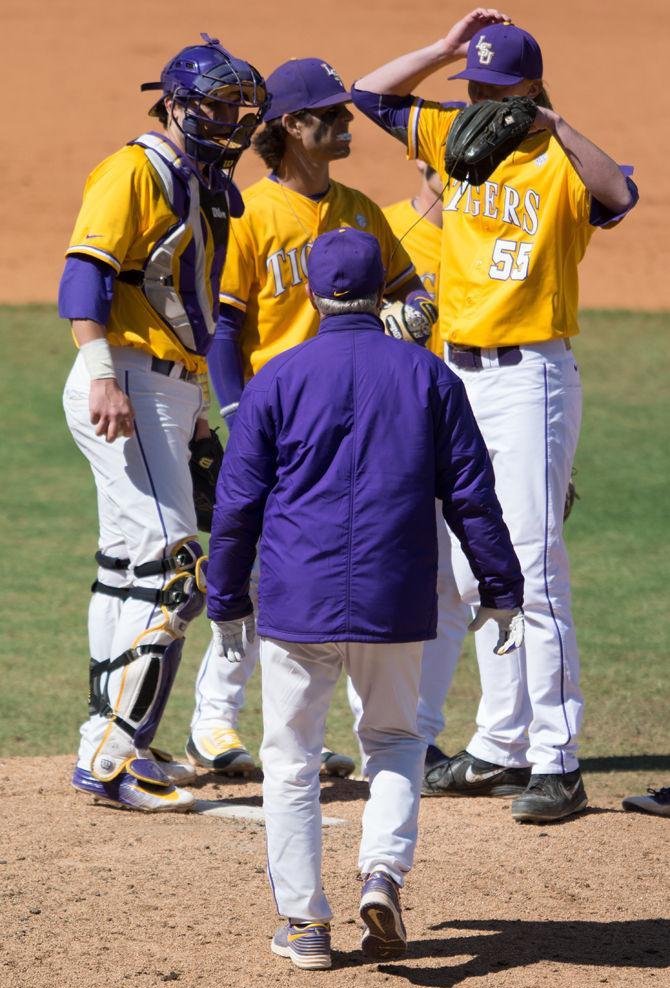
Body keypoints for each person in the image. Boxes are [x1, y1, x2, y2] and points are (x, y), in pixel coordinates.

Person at [206, 226, 524, 969]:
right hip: (395, 597)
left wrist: (225, 598)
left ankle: (306, 925)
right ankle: (382, 871)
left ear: (314, 294)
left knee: (290, 757)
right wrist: (502, 590)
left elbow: (237, 504)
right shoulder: (429, 375)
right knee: (396, 740)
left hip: (296, 600)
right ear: (383, 290)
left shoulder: (276, 378)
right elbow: (472, 497)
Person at [352, 9, 639, 821]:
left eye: (491, 88)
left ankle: (559, 760)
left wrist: (552, 122)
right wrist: (441, 50)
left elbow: (621, 195)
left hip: (529, 379)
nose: (476, 100)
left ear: (530, 89)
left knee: (534, 568)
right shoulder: (452, 142)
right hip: (456, 375)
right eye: (468, 86)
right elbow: (367, 96)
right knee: (475, 566)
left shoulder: (560, 165)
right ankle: (499, 746)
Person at [185, 56, 436, 780]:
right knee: (257, 570)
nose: (345, 123)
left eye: (344, 112)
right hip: (277, 420)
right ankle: (214, 721)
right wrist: (235, 415)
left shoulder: (361, 210)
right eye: (329, 114)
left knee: (307, 579)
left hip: (353, 427)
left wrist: (412, 319)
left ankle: (285, 728)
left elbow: (415, 293)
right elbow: (226, 329)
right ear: (289, 127)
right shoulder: (252, 213)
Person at [60, 35, 267, 812]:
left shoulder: (198, 180)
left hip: (166, 392)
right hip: (127, 383)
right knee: (176, 567)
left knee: (126, 567)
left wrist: (196, 415)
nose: (232, 120)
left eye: (237, 107)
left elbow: (185, 309)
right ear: (178, 104)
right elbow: (84, 275)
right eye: (218, 105)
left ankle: (110, 744)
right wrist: (103, 375)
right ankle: (118, 758)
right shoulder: (136, 169)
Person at [346, 160, 471, 791]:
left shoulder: (488, 226)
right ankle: (218, 722)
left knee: (448, 592)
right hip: (381, 422)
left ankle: (416, 732)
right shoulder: (386, 228)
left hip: (451, 422)